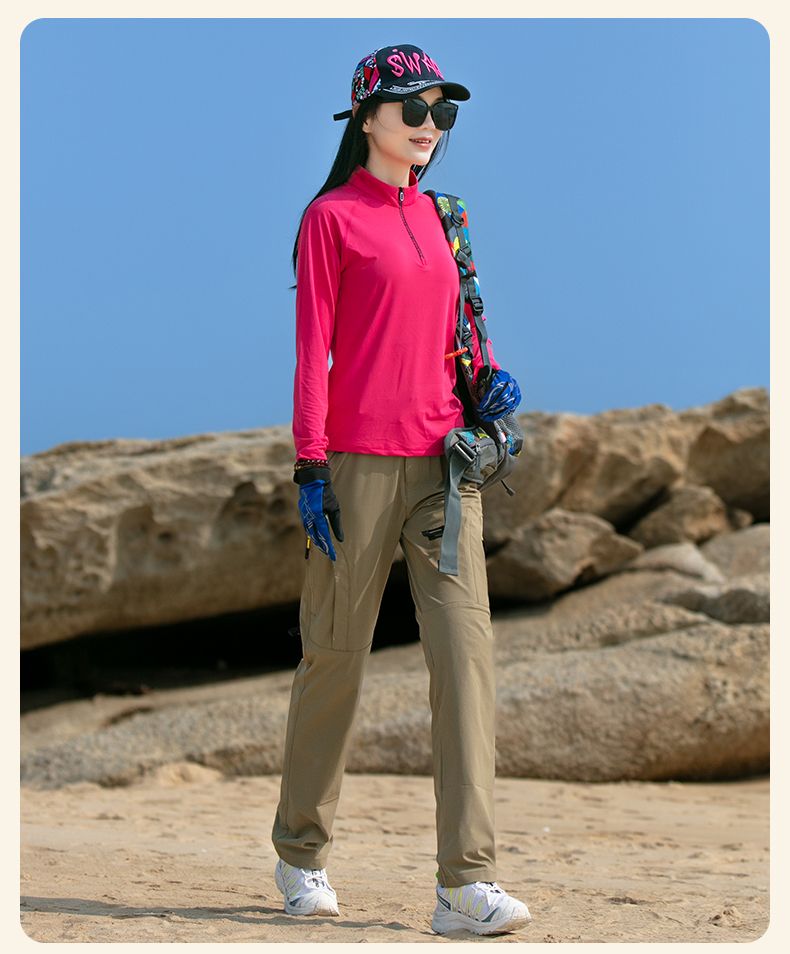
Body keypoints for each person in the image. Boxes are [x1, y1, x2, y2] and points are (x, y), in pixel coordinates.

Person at [271, 43, 531, 937]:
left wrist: (489, 387)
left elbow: (461, 333)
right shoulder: (331, 218)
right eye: (413, 109)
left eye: (440, 112)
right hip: (354, 465)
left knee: (466, 661)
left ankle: (466, 884)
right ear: (366, 118)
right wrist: (311, 466)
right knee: (335, 657)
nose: (430, 126)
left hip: (446, 467)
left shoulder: (445, 216)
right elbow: (313, 351)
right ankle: (301, 852)